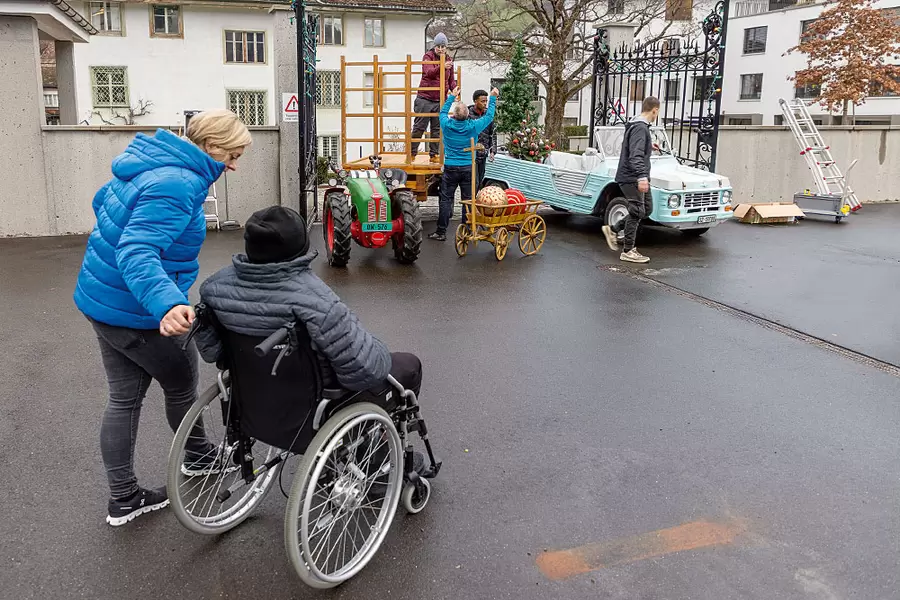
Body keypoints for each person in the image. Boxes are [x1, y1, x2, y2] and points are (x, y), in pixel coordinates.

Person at [73, 110, 252, 526]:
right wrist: (167, 303)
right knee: (180, 380)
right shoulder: (178, 183)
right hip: (134, 309)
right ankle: (198, 458)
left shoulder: (151, 160)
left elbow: (105, 203)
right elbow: (136, 250)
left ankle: (125, 497)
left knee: (123, 398)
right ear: (210, 146)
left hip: (104, 298)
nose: (235, 164)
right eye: (232, 154)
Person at [194, 206, 427, 469]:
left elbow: (214, 353)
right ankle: (374, 462)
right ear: (299, 246)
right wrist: (380, 350)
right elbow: (363, 371)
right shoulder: (314, 299)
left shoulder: (214, 288)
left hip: (252, 401)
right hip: (310, 409)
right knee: (407, 366)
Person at [428, 86, 499, 241]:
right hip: (468, 167)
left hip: (450, 167)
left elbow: (441, 112)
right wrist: (493, 98)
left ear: (453, 115)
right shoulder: (473, 126)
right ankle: (466, 230)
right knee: (468, 199)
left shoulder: (446, 125)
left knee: (446, 199)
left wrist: (452, 97)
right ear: (468, 116)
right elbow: (489, 116)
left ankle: (441, 232)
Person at [602, 96, 660, 264]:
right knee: (636, 211)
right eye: (658, 111)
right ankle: (628, 250)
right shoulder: (640, 127)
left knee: (646, 209)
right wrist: (641, 176)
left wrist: (648, 146)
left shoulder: (637, 125)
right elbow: (634, 155)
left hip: (635, 175)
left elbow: (632, 148)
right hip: (632, 176)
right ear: (654, 110)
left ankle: (612, 230)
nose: (657, 114)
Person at [411, 33, 457, 163]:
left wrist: (454, 88)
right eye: (438, 46)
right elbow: (429, 73)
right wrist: (441, 66)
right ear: (434, 46)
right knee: (420, 126)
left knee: (437, 128)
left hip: (440, 98)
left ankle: (434, 154)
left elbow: (450, 79)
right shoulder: (428, 57)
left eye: (443, 46)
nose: (441, 49)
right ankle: (412, 152)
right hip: (425, 97)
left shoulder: (449, 60)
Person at [468, 89, 498, 192]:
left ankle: (474, 203)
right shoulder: (468, 115)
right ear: (475, 101)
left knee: (480, 181)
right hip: (471, 153)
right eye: (482, 101)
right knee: (474, 182)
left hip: (483, 152)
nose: (485, 103)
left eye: (486, 101)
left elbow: (493, 133)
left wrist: (493, 150)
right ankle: (470, 205)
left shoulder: (488, 115)